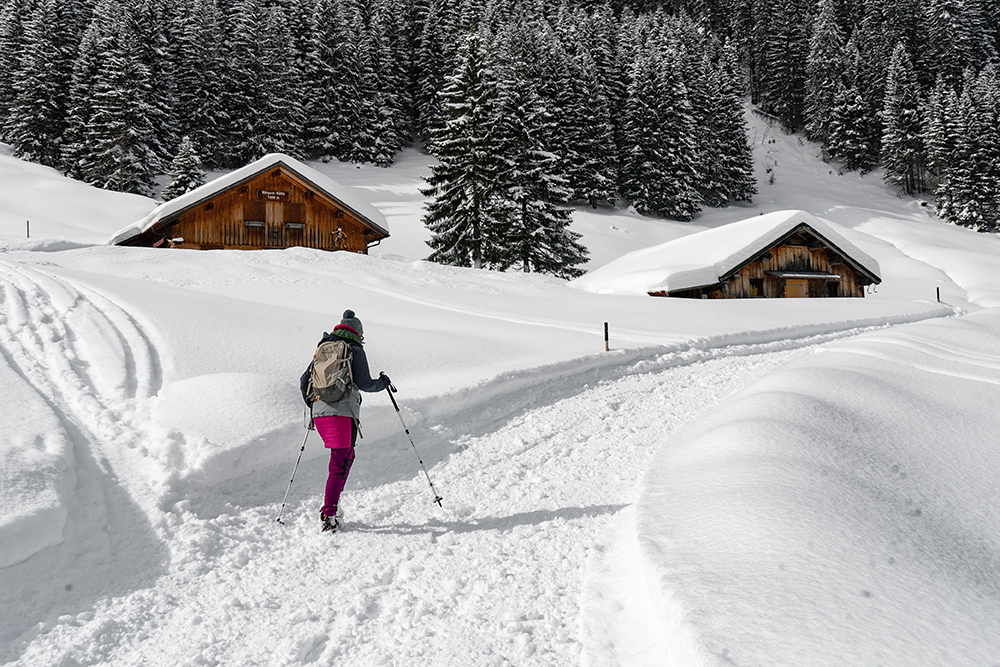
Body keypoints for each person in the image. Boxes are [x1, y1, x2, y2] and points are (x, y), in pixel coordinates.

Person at [300, 309, 391, 533]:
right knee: (340, 463)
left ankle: (331, 508)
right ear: (358, 333)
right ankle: (329, 513)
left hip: (319, 413)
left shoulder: (323, 347)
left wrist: (314, 404)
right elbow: (365, 384)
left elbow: (304, 380)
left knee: (344, 457)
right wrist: (383, 383)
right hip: (342, 414)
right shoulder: (355, 350)